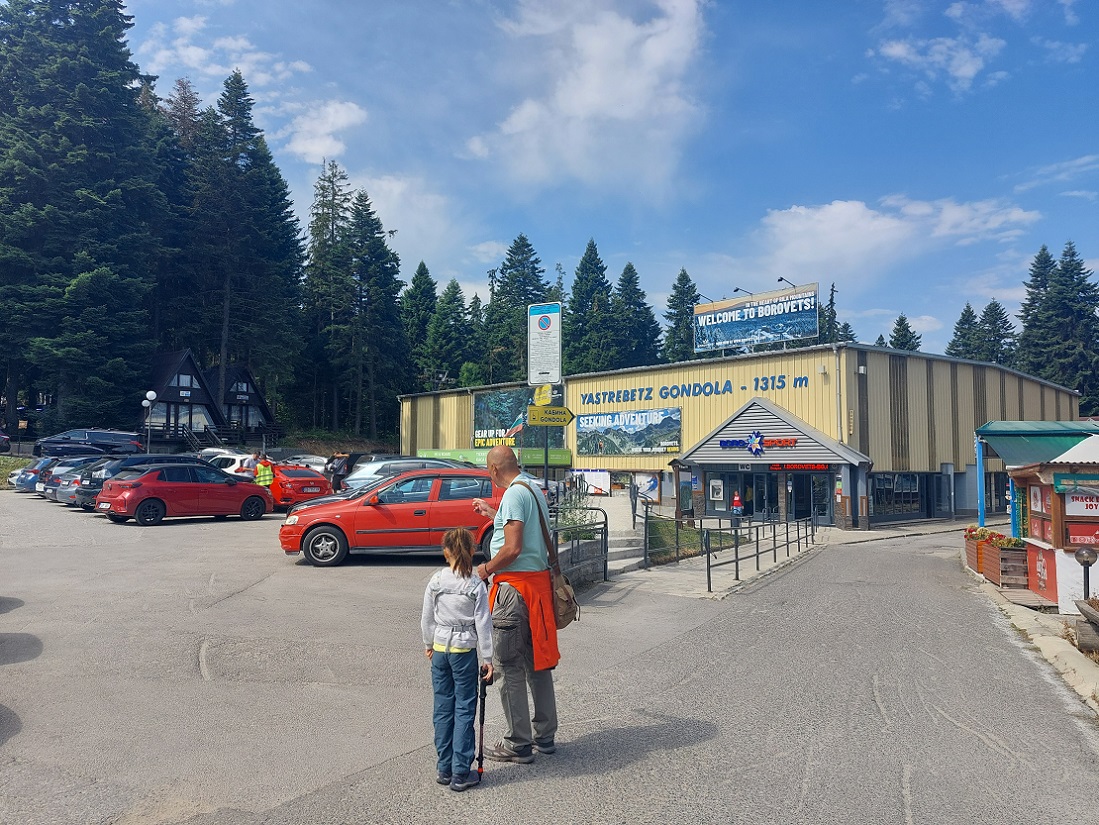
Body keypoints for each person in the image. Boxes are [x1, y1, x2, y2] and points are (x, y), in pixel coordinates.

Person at [471, 445, 560, 763]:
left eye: (488, 471)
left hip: (514, 591)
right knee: (538, 663)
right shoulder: (531, 488)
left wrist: (482, 570)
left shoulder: (512, 495)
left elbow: (512, 548)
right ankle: (545, 736)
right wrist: (493, 516)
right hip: (537, 589)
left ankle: (518, 743)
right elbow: (527, 536)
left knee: (508, 666)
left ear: (494, 470)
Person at [421, 528, 494, 792]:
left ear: (445, 553)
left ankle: (444, 767)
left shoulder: (437, 580)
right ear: (473, 552)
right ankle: (461, 772)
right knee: (464, 708)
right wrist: (488, 658)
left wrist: (429, 644)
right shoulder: (475, 584)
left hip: (440, 648)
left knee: (443, 707)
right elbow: (483, 624)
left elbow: (427, 617)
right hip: (464, 651)